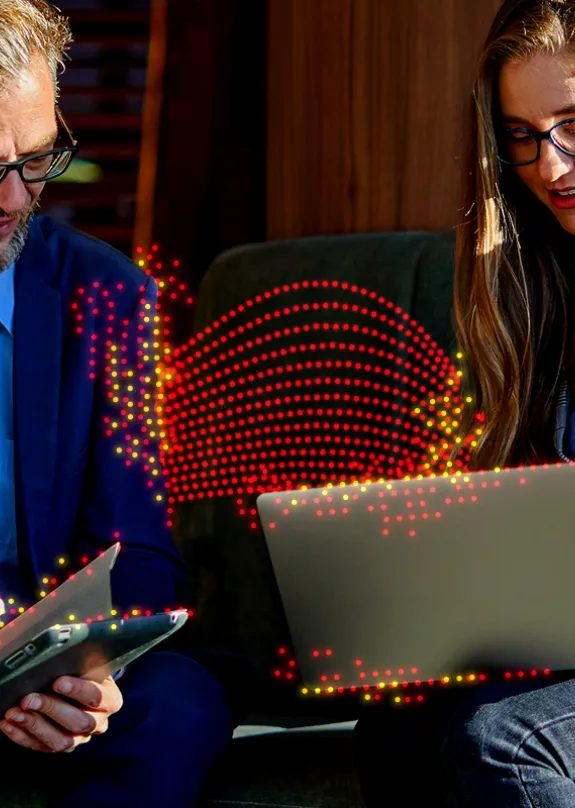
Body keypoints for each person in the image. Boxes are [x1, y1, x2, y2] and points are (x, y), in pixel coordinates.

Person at [0, 2, 234, 806]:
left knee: (180, 703)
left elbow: (141, 549)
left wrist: (82, 671)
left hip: (36, 665)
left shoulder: (107, 296)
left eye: (36, 160)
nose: (16, 200)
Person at [355, 1, 575, 806]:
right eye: (521, 136)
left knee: (504, 741)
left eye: (572, 124)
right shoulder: (538, 290)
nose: (549, 167)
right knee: (396, 721)